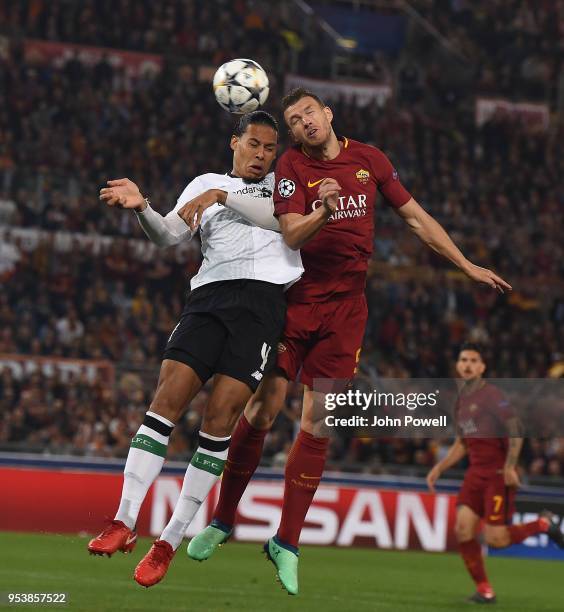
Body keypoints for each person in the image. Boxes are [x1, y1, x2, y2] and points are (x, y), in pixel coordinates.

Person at [180, 88, 512, 595]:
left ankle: (285, 543)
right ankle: (223, 518)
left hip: (347, 313)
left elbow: (417, 219)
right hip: (293, 302)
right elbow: (291, 234)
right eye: (295, 119)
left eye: (309, 112)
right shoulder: (291, 165)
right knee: (265, 408)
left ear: (328, 114)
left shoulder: (370, 159)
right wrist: (324, 211)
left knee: (319, 422)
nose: (304, 122)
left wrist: (466, 265)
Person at [87, 111, 304, 588]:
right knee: (165, 400)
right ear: (235, 142)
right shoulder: (202, 182)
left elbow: (283, 224)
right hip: (210, 298)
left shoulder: (286, 188)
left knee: (221, 418)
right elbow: (168, 235)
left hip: (263, 305)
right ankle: (124, 520)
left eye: (270, 148)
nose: (262, 155)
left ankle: (167, 542)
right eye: (254, 144)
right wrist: (144, 207)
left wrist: (224, 197)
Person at [426, 343, 564, 604]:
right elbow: (462, 443)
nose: (467, 364)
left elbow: (516, 429)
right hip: (474, 475)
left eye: (473, 360)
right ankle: (485, 590)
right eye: (463, 359)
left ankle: (543, 524)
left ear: (482, 367)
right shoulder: (461, 401)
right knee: (463, 530)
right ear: (457, 365)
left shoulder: (491, 396)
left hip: (497, 475)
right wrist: (439, 468)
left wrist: (510, 466)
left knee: (496, 540)